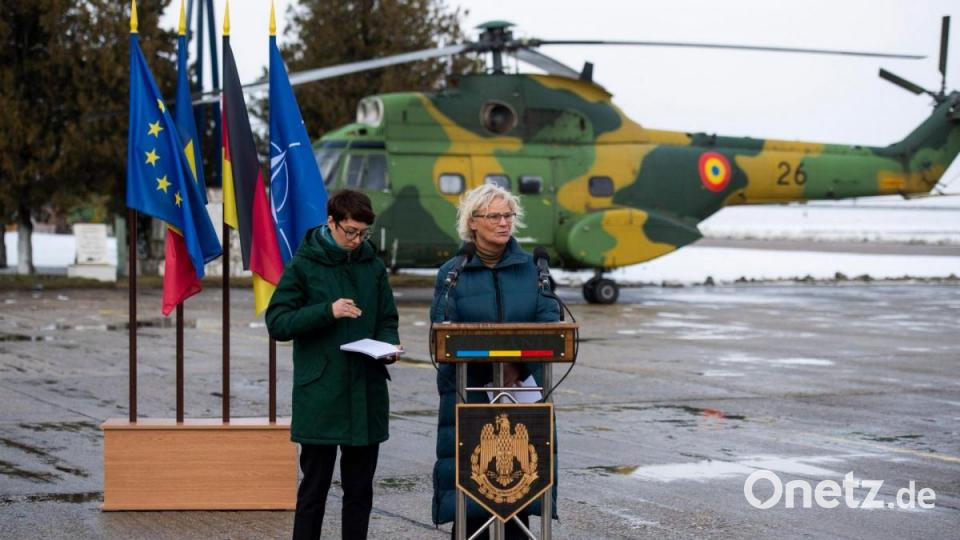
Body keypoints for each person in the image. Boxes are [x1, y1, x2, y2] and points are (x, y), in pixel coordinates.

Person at [266, 189, 400, 540]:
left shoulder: (372, 266)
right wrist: (328, 311)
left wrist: (387, 345)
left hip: (366, 392)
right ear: (331, 222)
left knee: (360, 492)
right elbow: (277, 322)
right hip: (321, 394)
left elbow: (387, 317)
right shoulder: (305, 264)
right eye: (350, 231)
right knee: (313, 491)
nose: (356, 240)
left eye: (363, 233)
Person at [429, 184, 560, 539]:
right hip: (468, 395)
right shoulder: (453, 273)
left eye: (508, 216)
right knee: (472, 501)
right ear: (473, 222)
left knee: (518, 494)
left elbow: (551, 326)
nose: (504, 223)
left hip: (522, 397)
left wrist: (520, 366)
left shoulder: (534, 270)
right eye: (495, 216)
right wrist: (493, 365)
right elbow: (443, 332)